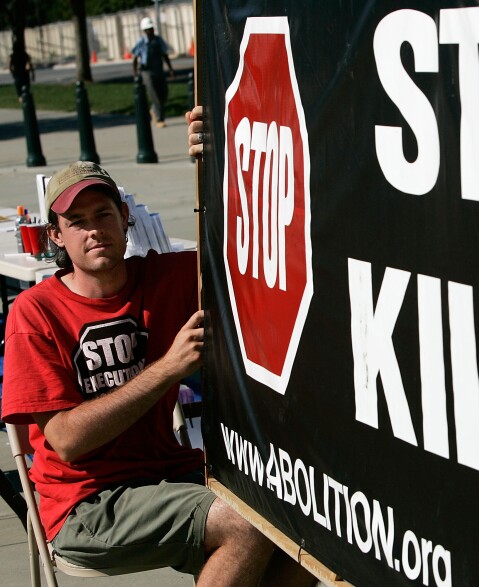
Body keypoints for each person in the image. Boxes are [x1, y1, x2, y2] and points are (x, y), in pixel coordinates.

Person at [0, 161, 314, 586]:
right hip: (87, 507)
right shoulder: (35, 312)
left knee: (310, 522)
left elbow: (249, 238)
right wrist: (168, 368)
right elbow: (67, 441)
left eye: (103, 215)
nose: (93, 229)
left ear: (125, 217)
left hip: (169, 473)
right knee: (245, 523)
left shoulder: (167, 276)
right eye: (76, 222)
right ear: (55, 235)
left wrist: (213, 148)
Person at [132, 17, 175, 128]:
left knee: (163, 93)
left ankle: (153, 110)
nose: (150, 31)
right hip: (146, 71)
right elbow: (135, 58)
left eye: (151, 28)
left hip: (158, 69)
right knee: (154, 94)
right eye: (148, 29)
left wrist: (170, 69)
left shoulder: (158, 40)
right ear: (144, 30)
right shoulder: (141, 42)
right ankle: (159, 118)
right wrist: (135, 72)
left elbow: (164, 55)